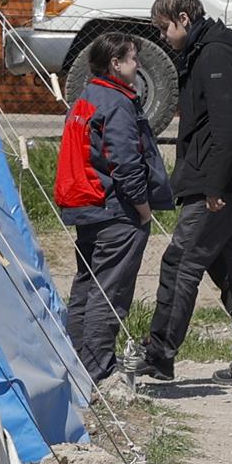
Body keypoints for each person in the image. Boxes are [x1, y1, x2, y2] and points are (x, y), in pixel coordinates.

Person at [120, 0, 232, 386]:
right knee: (231, 268)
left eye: (164, 27)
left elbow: (227, 126)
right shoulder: (202, 53)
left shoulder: (215, 55)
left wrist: (214, 185)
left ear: (184, 19)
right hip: (216, 181)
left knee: (180, 262)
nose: (162, 36)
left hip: (217, 186)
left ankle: (159, 353)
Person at [53, 31, 174, 387]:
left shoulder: (86, 97)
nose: (138, 66)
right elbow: (124, 160)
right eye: (133, 59)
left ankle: (76, 361)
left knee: (87, 286)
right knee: (109, 290)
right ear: (115, 64)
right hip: (114, 210)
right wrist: (142, 205)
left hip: (88, 207)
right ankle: (96, 369)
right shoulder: (117, 102)